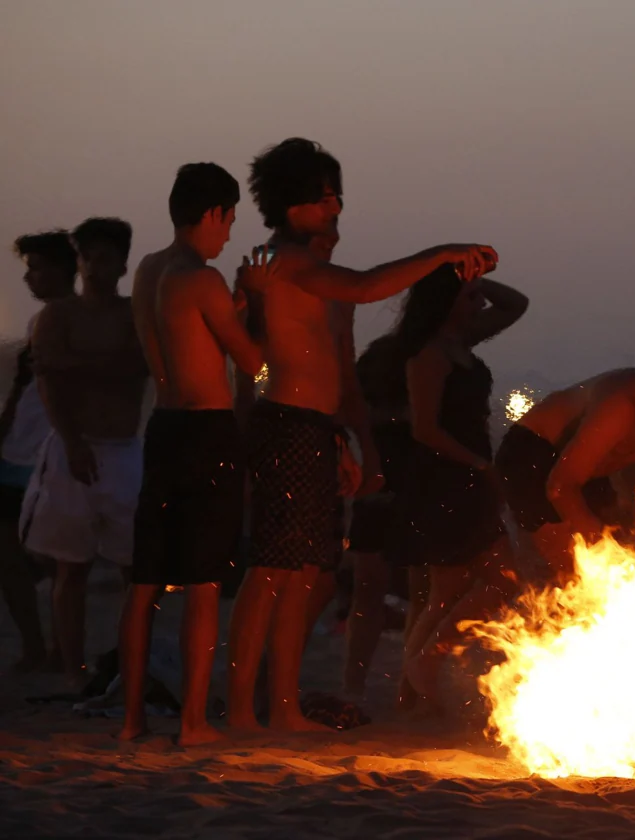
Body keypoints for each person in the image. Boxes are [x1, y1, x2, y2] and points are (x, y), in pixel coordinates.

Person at [225, 137, 497, 732]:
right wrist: (445, 252)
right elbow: (369, 283)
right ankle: (245, 707)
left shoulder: (309, 274)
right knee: (273, 570)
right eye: (324, 198)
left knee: (308, 576)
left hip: (318, 429)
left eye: (337, 197)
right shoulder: (284, 262)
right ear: (292, 203)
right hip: (287, 423)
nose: (336, 209)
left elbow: (344, 372)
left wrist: (362, 447)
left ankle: (285, 704)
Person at [119, 163, 273, 744]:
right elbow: (252, 361)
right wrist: (253, 302)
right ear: (212, 214)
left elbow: (186, 337)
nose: (229, 234)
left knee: (146, 581)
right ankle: (191, 722)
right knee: (204, 581)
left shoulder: (148, 270)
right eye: (229, 220)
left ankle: (133, 720)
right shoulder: (200, 278)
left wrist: (226, 310)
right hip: (206, 432)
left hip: (162, 428)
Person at [350, 266, 527, 707]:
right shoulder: (428, 355)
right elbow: (425, 429)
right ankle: (420, 674)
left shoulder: (460, 344)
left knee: (450, 591)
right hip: (444, 479)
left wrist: (475, 277)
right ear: (445, 303)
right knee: (457, 587)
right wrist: (478, 464)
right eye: (469, 298)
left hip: (468, 477)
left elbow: (516, 305)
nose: (480, 305)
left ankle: (414, 689)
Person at [19, 218, 148, 690]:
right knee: (71, 567)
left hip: (123, 447)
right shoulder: (58, 317)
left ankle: (131, 662)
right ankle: (72, 668)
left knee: (136, 566)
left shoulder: (134, 313)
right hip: (75, 445)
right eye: (87, 258)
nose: (94, 268)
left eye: (104, 258)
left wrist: (76, 364)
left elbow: (137, 365)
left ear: (121, 263)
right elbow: (52, 382)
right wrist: (71, 441)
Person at [494, 338, 635, 582]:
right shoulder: (624, 405)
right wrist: (606, 554)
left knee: (627, 551)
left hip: (590, 474)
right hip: (534, 455)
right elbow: (559, 487)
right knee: (579, 581)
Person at [1, 230, 77, 671]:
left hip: (46, 455)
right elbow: (24, 388)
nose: (30, 277)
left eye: (37, 268)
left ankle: (58, 649)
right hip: (16, 452)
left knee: (55, 558)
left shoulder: (74, 321)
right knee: (9, 557)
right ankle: (36, 647)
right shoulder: (40, 322)